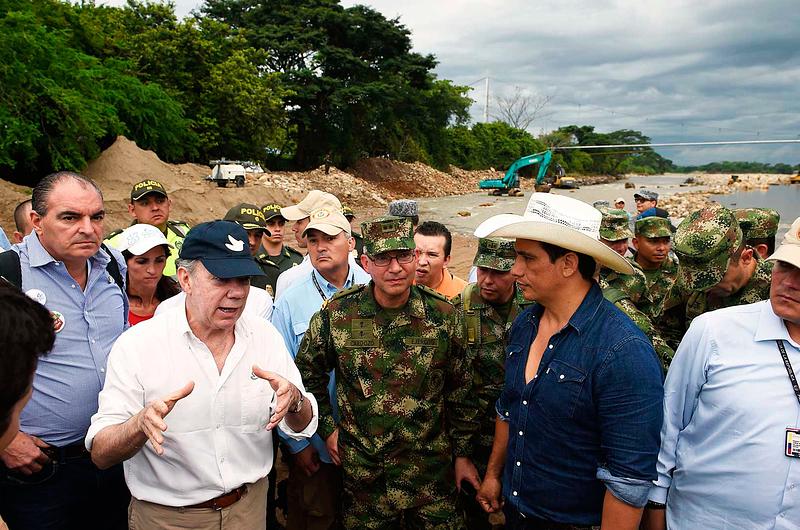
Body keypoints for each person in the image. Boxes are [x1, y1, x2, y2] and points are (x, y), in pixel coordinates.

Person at [86, 220, 318, 529]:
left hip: (248, 512)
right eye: (221, 279)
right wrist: (138, 425)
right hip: (168, 519)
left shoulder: (265, 337)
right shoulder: (138, 346)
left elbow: (303, 423)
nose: (236, 293)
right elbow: (101, 453)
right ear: (185, 279)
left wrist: (296, 401)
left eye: (244, 279)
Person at [473, 193, 663, 529]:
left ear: (568, 264)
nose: (515, 270)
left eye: (527, 258)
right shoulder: (525, 324)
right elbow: (510, 407)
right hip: (518, 514)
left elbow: (628, 481)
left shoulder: (622, 351)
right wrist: (493, 475)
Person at [295, 215, 480, 529]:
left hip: (431, 478)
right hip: (366, 481)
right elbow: (306, 374)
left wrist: (463, 455)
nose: (395, 268)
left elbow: (461, 390)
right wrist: (328, 428)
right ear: (366, 263)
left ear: (414, 257)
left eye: (403, 256)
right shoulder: (338, 315)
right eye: (383, 258)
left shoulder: (444, 315)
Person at [641, 216, 800, 530]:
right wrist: (655, 505)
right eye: (785, 266)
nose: (789, 282)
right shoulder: (714, 331)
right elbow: (669, 424)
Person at [0, 171, 130, 530]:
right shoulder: (9, 275)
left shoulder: (115, 267)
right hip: (40, 468)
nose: (88, 228)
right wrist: (6, 443)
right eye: (70, 217)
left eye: (97, 217)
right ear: (37, 222)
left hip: (111, 455)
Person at [272, 207, 370, 530]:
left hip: (371, 446)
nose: (320, 247)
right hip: (314, 449)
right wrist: (298, 445)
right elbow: (280, 377)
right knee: (316, 519)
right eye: (313, 240)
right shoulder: (291, 301)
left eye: (330, 238)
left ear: (351, 243)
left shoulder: (374, 290)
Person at [452, 237, 533, 529]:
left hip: (524, 434)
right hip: (475, 435)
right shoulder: (460, 309)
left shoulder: (535, 307)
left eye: (498, 272)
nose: (487, 280)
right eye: (483, 270)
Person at [660, 205, 773, 348]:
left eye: (713, 278)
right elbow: (667, 330)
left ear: (746, 258)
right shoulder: (692, 279)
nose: (704, 288)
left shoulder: (779, 289)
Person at [105, 179, 191, 277]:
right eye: (145, 203)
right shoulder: (114, 244)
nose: (155, 208)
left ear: (169, 204)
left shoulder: (184, 232)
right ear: (132, 210)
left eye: (160, 201)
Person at [274, 190, 344, 299]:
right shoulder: (366, 275)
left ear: (317, 221)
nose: (294, 228)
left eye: (299, 221)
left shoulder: (291, 279)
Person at [116, 224, 180, 325]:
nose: (152, 270)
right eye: (142, 261)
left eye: (159, 260)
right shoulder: (111, 306)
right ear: (124, 262)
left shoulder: (179, 301)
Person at [223, 203, 277, 295]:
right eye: (246, 234)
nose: (252, 242)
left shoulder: (271, 273)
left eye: (258, 236)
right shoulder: (209, 270)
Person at [632, 216, 679, 315]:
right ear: (636, 243)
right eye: (653, 241)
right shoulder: (621, 270)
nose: (662, 248)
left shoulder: (679, 272)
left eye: (666, 241)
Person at [258, 202, 304, 295]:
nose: (277, 229)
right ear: (262, 226)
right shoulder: (253, 260)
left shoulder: (297, 260)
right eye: (271, 224)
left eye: (281, 223)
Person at [414, 221, 467, 298]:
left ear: (446, 260)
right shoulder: (395, 286)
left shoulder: (464, 296)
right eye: (417, 253)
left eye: (432, 255)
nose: (422, 262)